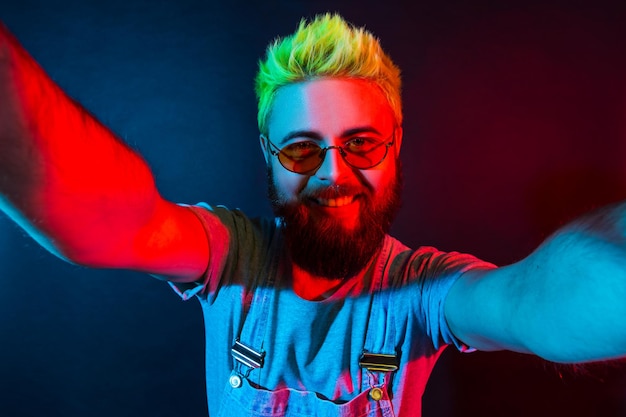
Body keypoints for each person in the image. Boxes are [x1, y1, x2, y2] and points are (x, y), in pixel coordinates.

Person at [1, 12, 625, 417]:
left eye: (361, 143)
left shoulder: (423, 291)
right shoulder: (228, 257)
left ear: (395, 144)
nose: (332, 174)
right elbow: (111, 219)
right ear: (270, 157)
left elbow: (533, 304)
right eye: (302, 149)